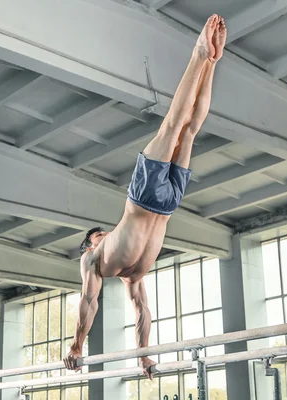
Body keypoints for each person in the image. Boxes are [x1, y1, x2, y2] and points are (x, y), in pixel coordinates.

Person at [63, 14, 227, 379]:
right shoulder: (117, 270)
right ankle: (212, 63)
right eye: (97, 234)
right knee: (190, 130)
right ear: (87, 245)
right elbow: (138, 313)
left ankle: (200, 55)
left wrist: (76, 346)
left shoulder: (103, 260)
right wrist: (144, 356)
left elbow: (89, 303)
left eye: (101, 233)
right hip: (168, 204)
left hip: (144, 199)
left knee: (175, 123)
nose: (102, 234)